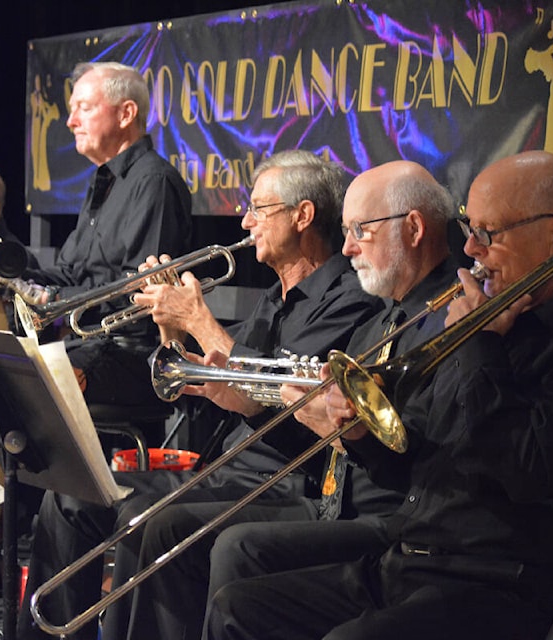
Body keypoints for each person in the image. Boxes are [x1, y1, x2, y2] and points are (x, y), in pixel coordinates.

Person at [204, 150, 553, 640]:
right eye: (469, 229)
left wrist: (478, 344)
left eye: (489, 234)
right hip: (408, 561)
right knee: (239, 607)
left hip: (496, 586)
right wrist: (359, 434)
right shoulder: (504, 324)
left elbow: (524, 471)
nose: (472, 251)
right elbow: (416, 467)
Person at [17, 149, 382, 640]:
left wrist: (198, 320)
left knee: (150, 523)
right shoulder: (274, 298)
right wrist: (171, 329)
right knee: (69, 497)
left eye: (259, 208)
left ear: (303, 215)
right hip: (225, 467)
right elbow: (195, 381)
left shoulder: (349, 300)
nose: (246, 220)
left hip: (286, 483)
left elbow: (271, 386)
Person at [117, 160, 463, 640]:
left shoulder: (376, 305)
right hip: (315, 489)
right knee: (147, 520)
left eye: (360, 230)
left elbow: (406, 445)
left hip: (337, 498)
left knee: (218, 544)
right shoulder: (382, 317)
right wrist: (172, 324)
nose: (348, 248)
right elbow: (239, 383)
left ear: (413, 229)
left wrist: (200, 321)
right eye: (345, 231)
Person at [17, 60, 193, 413]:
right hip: (89, 343)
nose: (70, 121)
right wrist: (13, 277)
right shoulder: (104, 180)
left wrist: (53, 298)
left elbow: (140, 293)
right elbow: (70, 272)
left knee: (24, 395)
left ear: (126, 113)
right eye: (71, 110)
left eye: (84, 107)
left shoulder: (154, 181)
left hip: (129, 353)